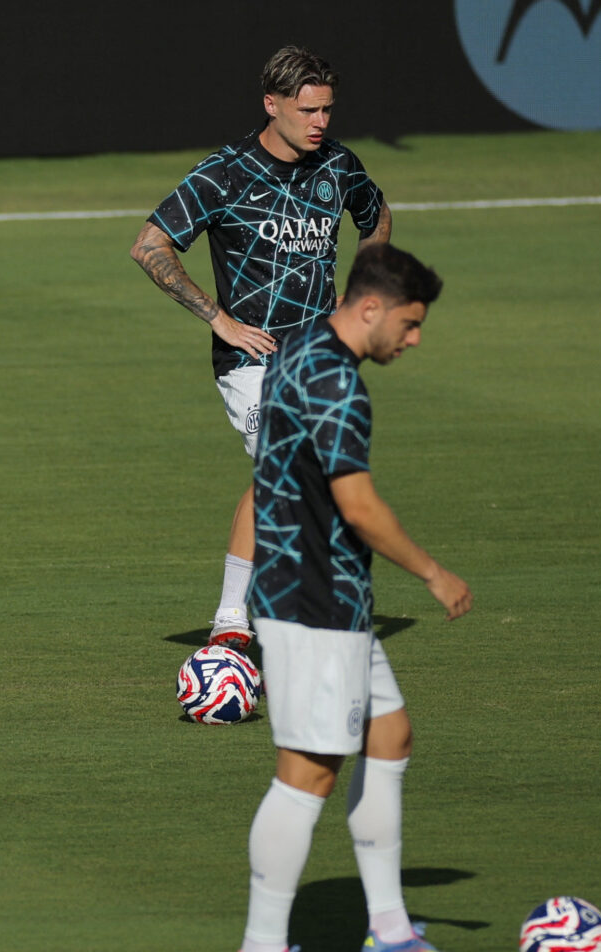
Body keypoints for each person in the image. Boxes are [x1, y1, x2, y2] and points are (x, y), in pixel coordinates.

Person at [239, 243, 472, 952]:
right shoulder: (339, 384)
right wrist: (434, 573)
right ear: (370, 307)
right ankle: (263, 943)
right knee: (306, 775)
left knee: (389, 734)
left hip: (316, 588)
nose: (415, 338)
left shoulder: (303, 340)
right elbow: (360, 506)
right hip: (314, 598)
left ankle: (390, 930)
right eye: (409, 323)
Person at [130, 46, 391, 650]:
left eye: (327, 109)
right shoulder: (223, 174)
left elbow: (375, 214)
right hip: (253, 360)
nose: (320, 122)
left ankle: (266, 621)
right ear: (271, 105)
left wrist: (368, 282)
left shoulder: (338, 166)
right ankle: (235, 626)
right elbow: (150, 247)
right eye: (307, 111)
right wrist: (218, 318)